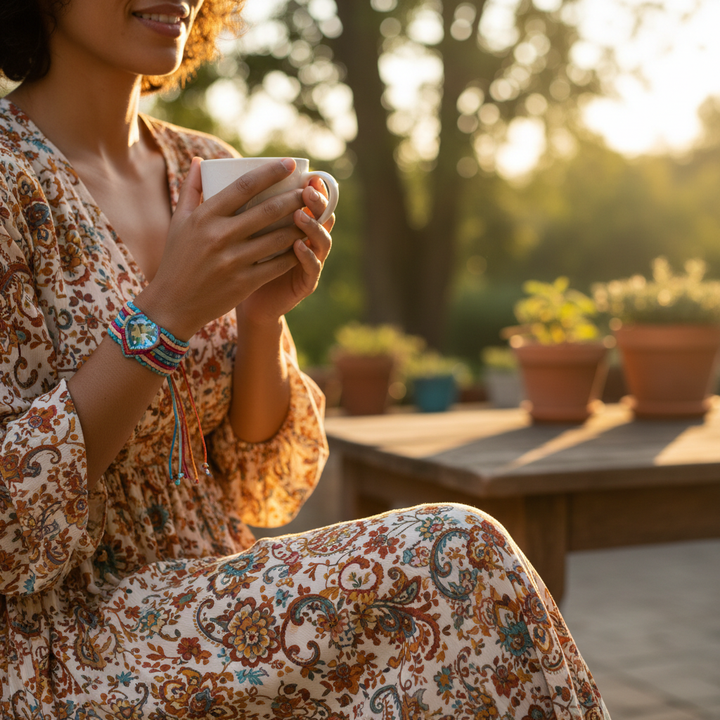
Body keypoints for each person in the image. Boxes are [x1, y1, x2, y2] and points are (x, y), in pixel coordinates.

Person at [0, 0, 610, 718]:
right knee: (455, 554)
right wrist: (167, 314)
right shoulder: (12, 179)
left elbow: (257, 481)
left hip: (218, 595)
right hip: (63, 636)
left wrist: (262, 318)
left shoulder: (207, 168)